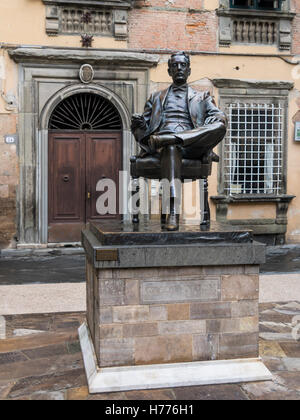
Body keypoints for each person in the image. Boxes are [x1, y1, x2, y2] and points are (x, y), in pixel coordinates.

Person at [131, 51, 227, 231]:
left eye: (183, 65)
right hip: (163, 147)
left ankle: (172, 139)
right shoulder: (155, 97)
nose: (179, 68)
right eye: (175, 65)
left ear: (189, 70)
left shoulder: (203, 97)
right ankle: (173, 212)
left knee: (220, 125)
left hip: (193, 146)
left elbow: (219, 118)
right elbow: (144, 134)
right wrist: (137, 124)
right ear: (169, 71)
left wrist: (212, 121)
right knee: (171, 147)